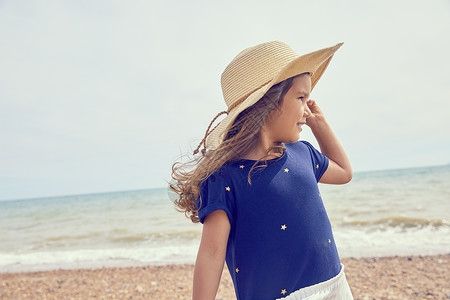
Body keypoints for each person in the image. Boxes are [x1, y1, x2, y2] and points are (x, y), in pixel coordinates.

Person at [170, 41, 354, 299]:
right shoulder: (224, 178)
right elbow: (211, 255)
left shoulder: (304, 153)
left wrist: (320, 124)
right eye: (301, 97)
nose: (307, 109)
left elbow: (344, 172)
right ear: (268, 103)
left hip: (334, 286)